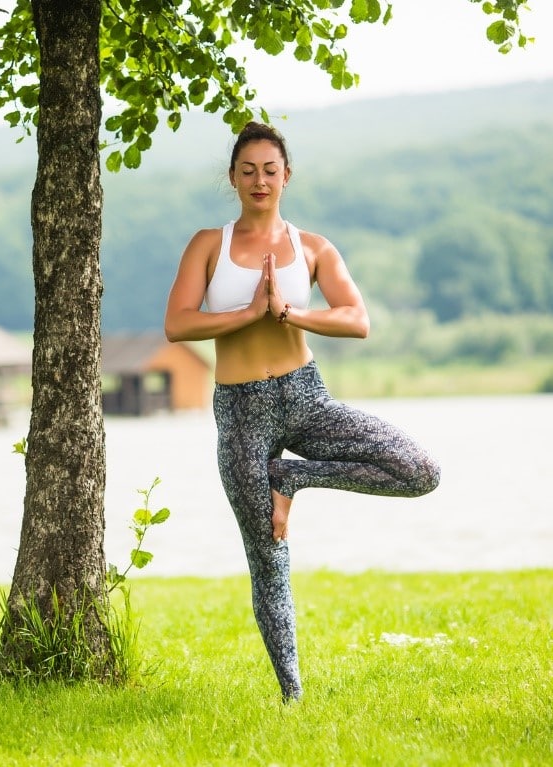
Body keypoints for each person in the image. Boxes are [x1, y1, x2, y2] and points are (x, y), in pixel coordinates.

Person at [163, 121, 441, 702]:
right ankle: (293, 696)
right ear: (233, 179)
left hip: (307, 398)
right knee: (268, 556)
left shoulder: (312, 247)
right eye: (248, 170)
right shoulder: (207, 245)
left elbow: (355, 319)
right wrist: (249, 313)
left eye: (270, 170)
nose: (259, 180)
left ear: (286, 176)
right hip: (241, 412)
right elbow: (179, 323)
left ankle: (293, 477)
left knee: (418, 470)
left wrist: (290, 313)